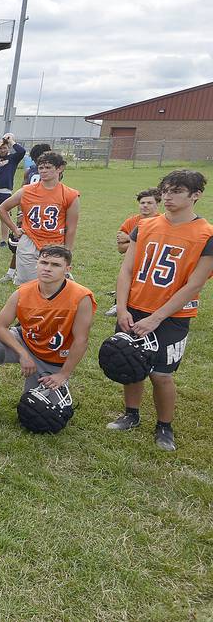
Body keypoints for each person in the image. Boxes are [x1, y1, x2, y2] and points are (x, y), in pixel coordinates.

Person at [109, 170, 212, 451]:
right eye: (165, 190)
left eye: (177, 191)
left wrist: (156, 318)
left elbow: (194, 285)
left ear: (195, 195)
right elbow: (127, 269)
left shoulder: (206, 234)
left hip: (172, 316)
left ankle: (164, 426)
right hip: (135, 308)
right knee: (131, 365)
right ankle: (131, 414)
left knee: (161, 374)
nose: (168, 196)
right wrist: (121, 308)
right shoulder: (145, 226)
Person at [0, 245, 94, 417]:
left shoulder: (81, 297)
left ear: (67, 269)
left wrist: (64, 374)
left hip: (54, 356)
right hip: (25, 341)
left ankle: (57, 386)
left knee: (43, 414)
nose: (47, 268)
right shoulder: (23, 292)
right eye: (44, 262)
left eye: (55, 265)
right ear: (37, 264)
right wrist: (23, 354)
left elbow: (81, 340)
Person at [0, 152, 80, 285]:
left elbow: (71, 228)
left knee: (53, 285)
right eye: (41, 168)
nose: (43, 171)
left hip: (55, 242)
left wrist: (67, 252)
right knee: (27, 284)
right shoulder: (26, 191)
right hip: (30, 240)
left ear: (59, 168)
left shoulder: (70, 195)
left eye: (48, 167)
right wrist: (14, 229)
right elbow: (2, 209)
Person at [105, 189, 163, 316]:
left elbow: (156, 248)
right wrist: (136, 241)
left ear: (157, 204)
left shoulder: (163, 222)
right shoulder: (131, 221)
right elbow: (121, 249)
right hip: (132, 261)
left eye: (149, 203)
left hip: (153, 263)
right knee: (124, 277)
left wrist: (129, 239)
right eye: (142, 203)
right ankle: (118, 304)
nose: (145, 205)